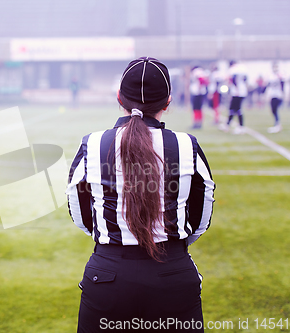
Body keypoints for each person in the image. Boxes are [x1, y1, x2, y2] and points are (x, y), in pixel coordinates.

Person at [67, 57, 215, 332]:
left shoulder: (93, 143)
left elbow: (79, 210)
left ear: (119, 97)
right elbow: (202, 212)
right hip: (172, 272)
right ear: (168, 102)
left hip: (109, 274)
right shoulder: (186, 145)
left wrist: (110, 238)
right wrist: (174, 245)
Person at [219, 60, 248, 134]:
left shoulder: (233, 70)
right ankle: (228, 124)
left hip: (236, 91)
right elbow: (245, 79)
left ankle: (240, 126)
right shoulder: (243, 68)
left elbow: (233, 79)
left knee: (235, 109)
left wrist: (236, 88)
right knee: (234, 108)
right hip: (242, 90)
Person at [265, 63, 284, 133]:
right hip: (272, 94)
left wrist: (282, 93)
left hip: (278, 94)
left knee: (274, 110)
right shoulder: (271, 76)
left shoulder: (279, 75)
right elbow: (268, 85)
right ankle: (277, 124)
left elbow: (282, 84)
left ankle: (277, 124)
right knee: (273, 110)